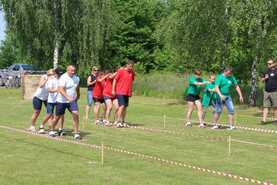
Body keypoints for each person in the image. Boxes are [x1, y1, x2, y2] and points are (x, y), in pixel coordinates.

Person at [49, 65, 81, 140]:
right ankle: (52, 129)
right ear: (67, 70)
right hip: (61, 101)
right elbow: (61, 89)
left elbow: (77, 87)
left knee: (75, 114)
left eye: (74, 70)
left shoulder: (76, 78)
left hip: (72, 100)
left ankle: (76, 133)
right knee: (57, 117)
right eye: (71, 70)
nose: (73, 72)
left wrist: (78, 95)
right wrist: (68, 97)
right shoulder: (63, 78)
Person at [38, 68, 64, 135]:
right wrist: (57, 90)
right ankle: (41, 125)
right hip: (51, 100)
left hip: (59, 100)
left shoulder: (62, 80)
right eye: (58, 74)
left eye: (60, 74)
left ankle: (60, 129)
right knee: (49, 114)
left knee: (61, 115)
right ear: (55, 74)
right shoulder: (51, 80)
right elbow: (49, 90)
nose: (59, 75)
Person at [112, 59, 135, 128]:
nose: (131, 68)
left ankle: (122, 121)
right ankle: (118, 121)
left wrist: (130, 91)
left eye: (132, 66)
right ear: (127, 65)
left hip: (127, 92)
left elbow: (131, 81)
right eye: (130, 66)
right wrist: (113, 90)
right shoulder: (121, 71)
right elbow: (115, 80)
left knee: (125, 107)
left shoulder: (131, 73)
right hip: (120, 91)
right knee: (121, 106)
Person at [261, 59, 277, 124]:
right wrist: (265, 78)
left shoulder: (276, 71)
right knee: (265, 106)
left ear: (273, 64)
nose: (268, 65)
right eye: (267, 63)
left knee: (275, 107)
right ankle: (264, 120)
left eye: (270, 64)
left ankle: (276, 120)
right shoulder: (266, 71)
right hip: (266, 91)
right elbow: (261, 80)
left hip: (275, 91)